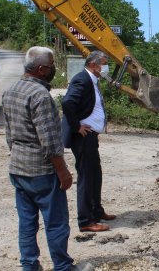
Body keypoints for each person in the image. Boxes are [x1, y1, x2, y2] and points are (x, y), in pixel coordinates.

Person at [2, 46, 75, 271]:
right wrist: (62, 170)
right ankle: (62, 266)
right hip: (41, 172)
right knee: (56, 223)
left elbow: (9, 134)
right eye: (52, 66)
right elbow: (50, 141)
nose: (54, 69)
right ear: (42, 69)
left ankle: (29, 265)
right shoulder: (40, 96)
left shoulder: (11, 90)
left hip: (18, 168)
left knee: (27, 222)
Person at [61, 50, 116, 233]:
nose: (106, 67)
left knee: (95, 174)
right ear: (93, 64)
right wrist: (77, 126)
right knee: (86, 176)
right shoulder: (82, 80)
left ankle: (96, 211)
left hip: (91, 137)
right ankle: (86, 220)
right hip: (83, 137)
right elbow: (67, 103)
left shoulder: (92, 80)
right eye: (104, 63)